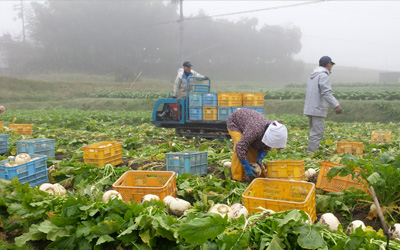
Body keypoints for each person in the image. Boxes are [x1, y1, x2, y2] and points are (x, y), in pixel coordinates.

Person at [227, 108, 288, 182]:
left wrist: (260, 157)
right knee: (239, 148)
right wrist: (246, 167)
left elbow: (266, 145)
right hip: (236, 123)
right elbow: (240, 147)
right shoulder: (254, 131)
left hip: (249, 125)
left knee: (253, 153)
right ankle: (237, 178)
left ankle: (257, 177)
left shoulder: (270, 131)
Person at [304, 56, 343, 154]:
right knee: (317, 133)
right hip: (317, 108)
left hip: (310, 107)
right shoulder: (323, 75)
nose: (331, 68)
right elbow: (326, 92)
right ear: (328, 65)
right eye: (331, 65)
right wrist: (336, 105)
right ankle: (311, 153)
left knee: (314, 132)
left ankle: (312, 151)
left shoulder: (312, 75)